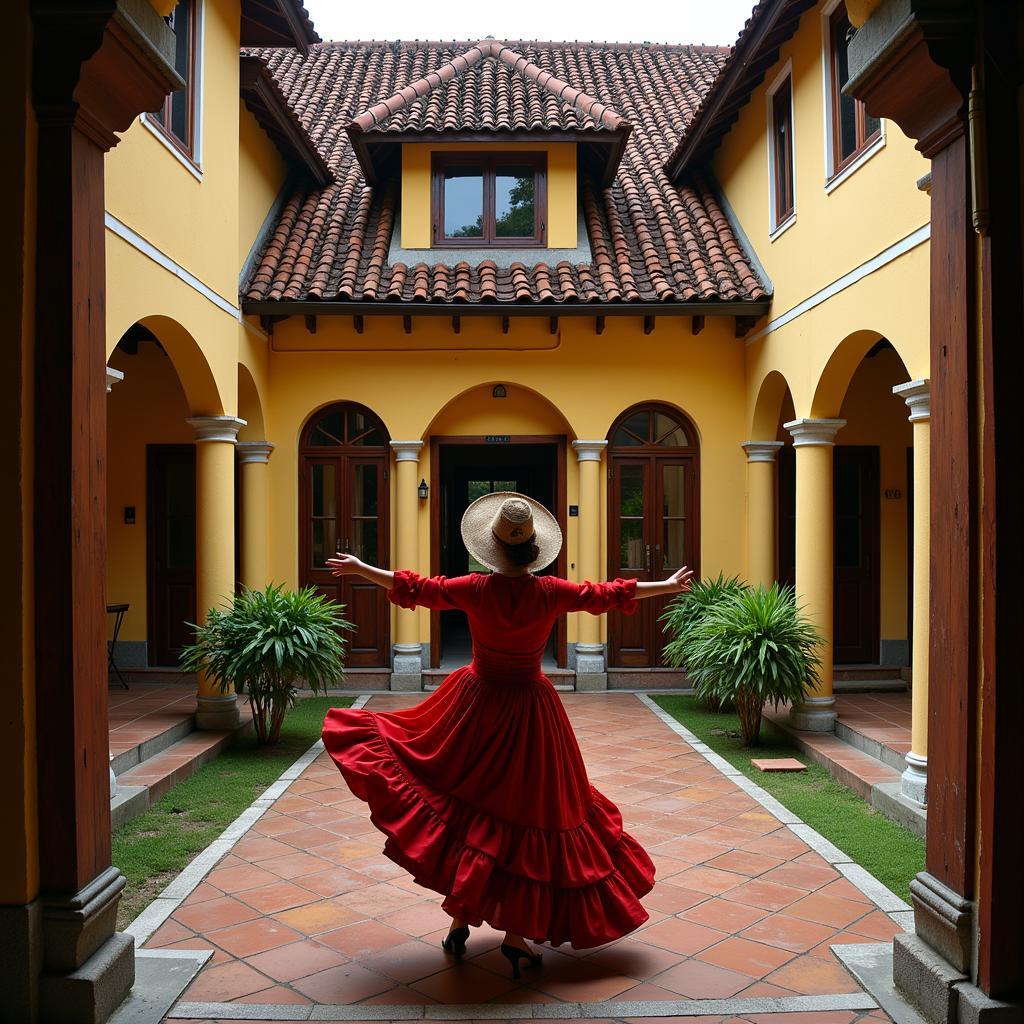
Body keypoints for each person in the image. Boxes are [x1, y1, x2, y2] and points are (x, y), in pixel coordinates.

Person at [322, 491, 693, 979]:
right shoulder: (550, 592)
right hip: (531, 712)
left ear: (490, 548)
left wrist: (361, 566)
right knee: (526, 813)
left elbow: (415, 588)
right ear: (533, 549)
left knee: (470, 808)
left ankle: (460, 921)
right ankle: (514, 939)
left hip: (474, 705)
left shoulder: (475, 589)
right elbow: (608, 594)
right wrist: (665, 584)